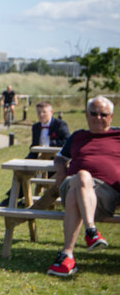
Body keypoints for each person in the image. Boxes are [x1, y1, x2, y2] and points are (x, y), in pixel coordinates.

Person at [47, 96, 119, 277]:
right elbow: (60, 157)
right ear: (87, 115)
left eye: (103, 114)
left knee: (75, 195)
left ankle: (67, 256)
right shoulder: (77, 136)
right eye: (94, 113)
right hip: (72, 182)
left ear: (111, 116)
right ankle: (91, 231)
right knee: (82, 176)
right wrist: (61, 170)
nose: (98, 117)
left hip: (106, 194)